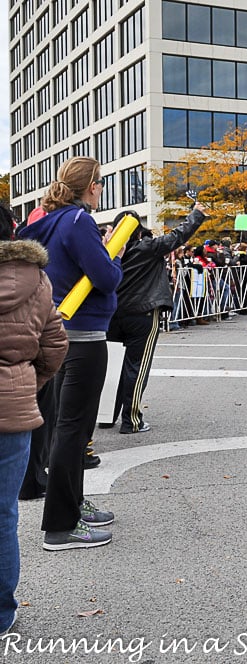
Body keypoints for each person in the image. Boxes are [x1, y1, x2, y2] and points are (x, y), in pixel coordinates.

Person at [18, 156, 122, 550]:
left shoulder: (47, 222)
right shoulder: (79, 223)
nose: (102, 188)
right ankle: (62, 525)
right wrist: (117, 255)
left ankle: (73, 505)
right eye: (101, 182)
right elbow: (105, 276)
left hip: (59, 332)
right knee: (73, 429)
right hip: (84, 336)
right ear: (92, 185)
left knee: (66, 425)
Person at [0, 207, 68, 634]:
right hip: (13, 408)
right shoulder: (35, 279)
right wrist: (25, 379)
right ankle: (2, 613)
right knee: (3, 513)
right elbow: (55, 345)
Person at [106, 205, 208, 434]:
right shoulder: (148, 248)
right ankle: (131, 420)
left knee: (112, 367)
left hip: (113, 313)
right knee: (137, 367)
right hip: (143, 311)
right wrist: (196, 214)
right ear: (138, 230)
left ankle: (105, 415)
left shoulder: (108, 251)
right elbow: (178, 235)